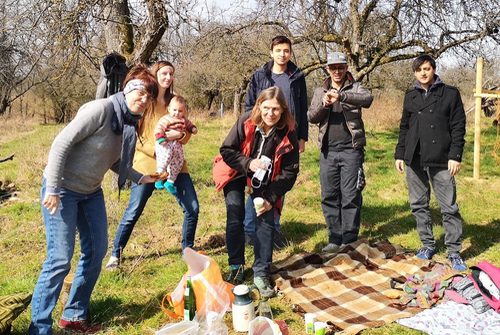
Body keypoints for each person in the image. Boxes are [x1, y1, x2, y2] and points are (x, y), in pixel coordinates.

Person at [29, 65, 159, 334]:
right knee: (59, 259)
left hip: (90, 193)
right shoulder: (101, 110)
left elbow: (112, 160)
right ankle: (39, 328)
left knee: (97, 251)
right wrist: (52, 188)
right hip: (62, 190)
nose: (144, 100)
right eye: (140, 92)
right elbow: (61, 143)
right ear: (127, 89)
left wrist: (139, 177)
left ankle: (74, 316)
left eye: (149, 96)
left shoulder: (127, 123)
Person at [106, 61, 199, 269]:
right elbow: (135, 137)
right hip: (147, 165)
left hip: (175, 165)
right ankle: (115, 254)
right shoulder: (143, 100)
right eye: (164, 73)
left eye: (171, 74)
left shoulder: (175, 102)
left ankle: (188, 251)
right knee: (134, 210)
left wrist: (182, 135)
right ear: (155, 74)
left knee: (192, 208)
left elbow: (185, 131)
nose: (168, 78)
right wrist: (157, 149)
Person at [219, 86, 299, 297]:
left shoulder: (288, 131)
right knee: (235, 214)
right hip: (236, 170)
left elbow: (290, 172)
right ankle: (236, 266)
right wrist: (248, 163)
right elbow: (226, 150)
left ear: (282, 110)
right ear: (258, 106)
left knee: (265, 219)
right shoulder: (246, 120)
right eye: (266, 108)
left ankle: (261, 272)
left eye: (275, 109)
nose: (270, 114)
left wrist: (271, 199)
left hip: (266, 178)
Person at [394, 54, 467, 271]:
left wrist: (455, 156)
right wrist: (400, 154)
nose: (423, 73)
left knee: (449, 207)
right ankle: (427, 244)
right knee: (418, 204)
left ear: (434, 69)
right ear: (415, 73)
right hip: (414, 156)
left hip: (442, 157)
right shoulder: (410, 96)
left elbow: (458, 127)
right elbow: (404, 127)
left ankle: (454, 251)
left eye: (427, 68)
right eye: (419, 70)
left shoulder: (450, 94)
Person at [243, 35, 308, 246]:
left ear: (290, 53)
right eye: (279, 50)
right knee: (257, 180)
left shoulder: (297, 76)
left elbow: (302, 107)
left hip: (286, 137)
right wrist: (250, 131)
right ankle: (249, 230)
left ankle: (273, 228)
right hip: (262, 135)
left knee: (280, 181)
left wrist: (302, 138)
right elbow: (249, 106)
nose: (283, 54)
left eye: (286, 50)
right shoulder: (260, 75)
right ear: (271, 52)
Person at [308, 51, 373, 253]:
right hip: (328, 151)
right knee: (329, 195)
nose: (337, 71)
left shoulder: (355, 86)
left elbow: (367, 98)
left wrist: (341, 96)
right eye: (333, 67)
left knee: (350, 195)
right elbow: (312, 116)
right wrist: (325, 105)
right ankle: (334, 238)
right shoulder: (320, 90)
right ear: (328, 69)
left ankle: (349, 239)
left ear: (346, 68)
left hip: (351, 150)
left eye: (341, 67)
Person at [154, 95, 198, 195]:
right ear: (169, 109)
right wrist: (160, 138)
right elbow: (159, 128)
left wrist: (193, 129)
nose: (177, 113)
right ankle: (159, 177)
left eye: (180, 111)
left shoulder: (183, 120)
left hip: (176, 145)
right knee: (165, 157)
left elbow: (189, 125)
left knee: (179, 160)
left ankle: (170, 181)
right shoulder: (166, 119)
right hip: (165, 143)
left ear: (184, 111)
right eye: (174, 110)